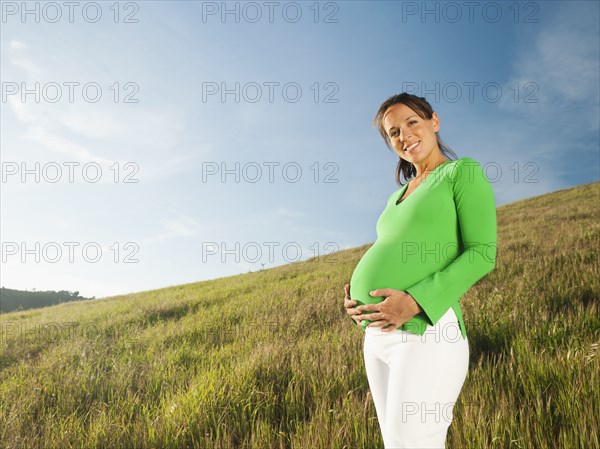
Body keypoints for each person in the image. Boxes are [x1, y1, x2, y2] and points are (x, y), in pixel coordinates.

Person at [343, 93, 497, 448]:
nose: (404, 135)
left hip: (427, 330)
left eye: (412, 122)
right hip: (376, 337)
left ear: (434, 122)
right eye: (393, 131)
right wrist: (355, 297)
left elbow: (483, 253)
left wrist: (414, 301)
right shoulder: (395, 197)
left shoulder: (461, 173)